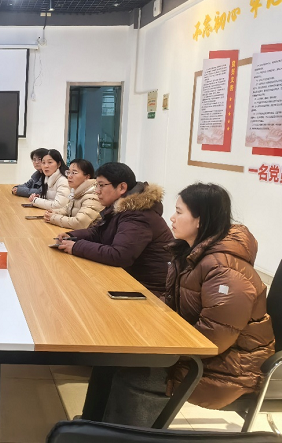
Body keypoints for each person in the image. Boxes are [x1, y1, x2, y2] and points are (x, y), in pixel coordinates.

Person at [81, 183, 275, 427]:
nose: (171, 218)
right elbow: (178, 304)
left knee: (134, 372)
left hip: (227, 369)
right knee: (110, 359)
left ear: (200, 220)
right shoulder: (189, 252)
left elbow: (215, 340)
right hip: (195, 350)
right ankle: (93, 427)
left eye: (179, 212)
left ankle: (126, 435)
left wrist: (156, 346)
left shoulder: (225, 272)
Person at [57, 162, 172, 297]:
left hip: (148, 291)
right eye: (96, 185)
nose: (97, 191)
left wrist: (76, 247)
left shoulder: (138, 215)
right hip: (128, 279)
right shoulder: (120, 207)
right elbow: (99, 232)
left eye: (101, 185)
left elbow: (119, 255)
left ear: (122, 187)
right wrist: (72, 235)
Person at [43, 158, 103, 230]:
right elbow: (67, 209)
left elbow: (79, 223)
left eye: (74, 173)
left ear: (87, 177)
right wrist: (54, 212)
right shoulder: (78, 191)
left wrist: (53, 217)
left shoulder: (92, 195)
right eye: (68, 172)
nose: (69, 176)